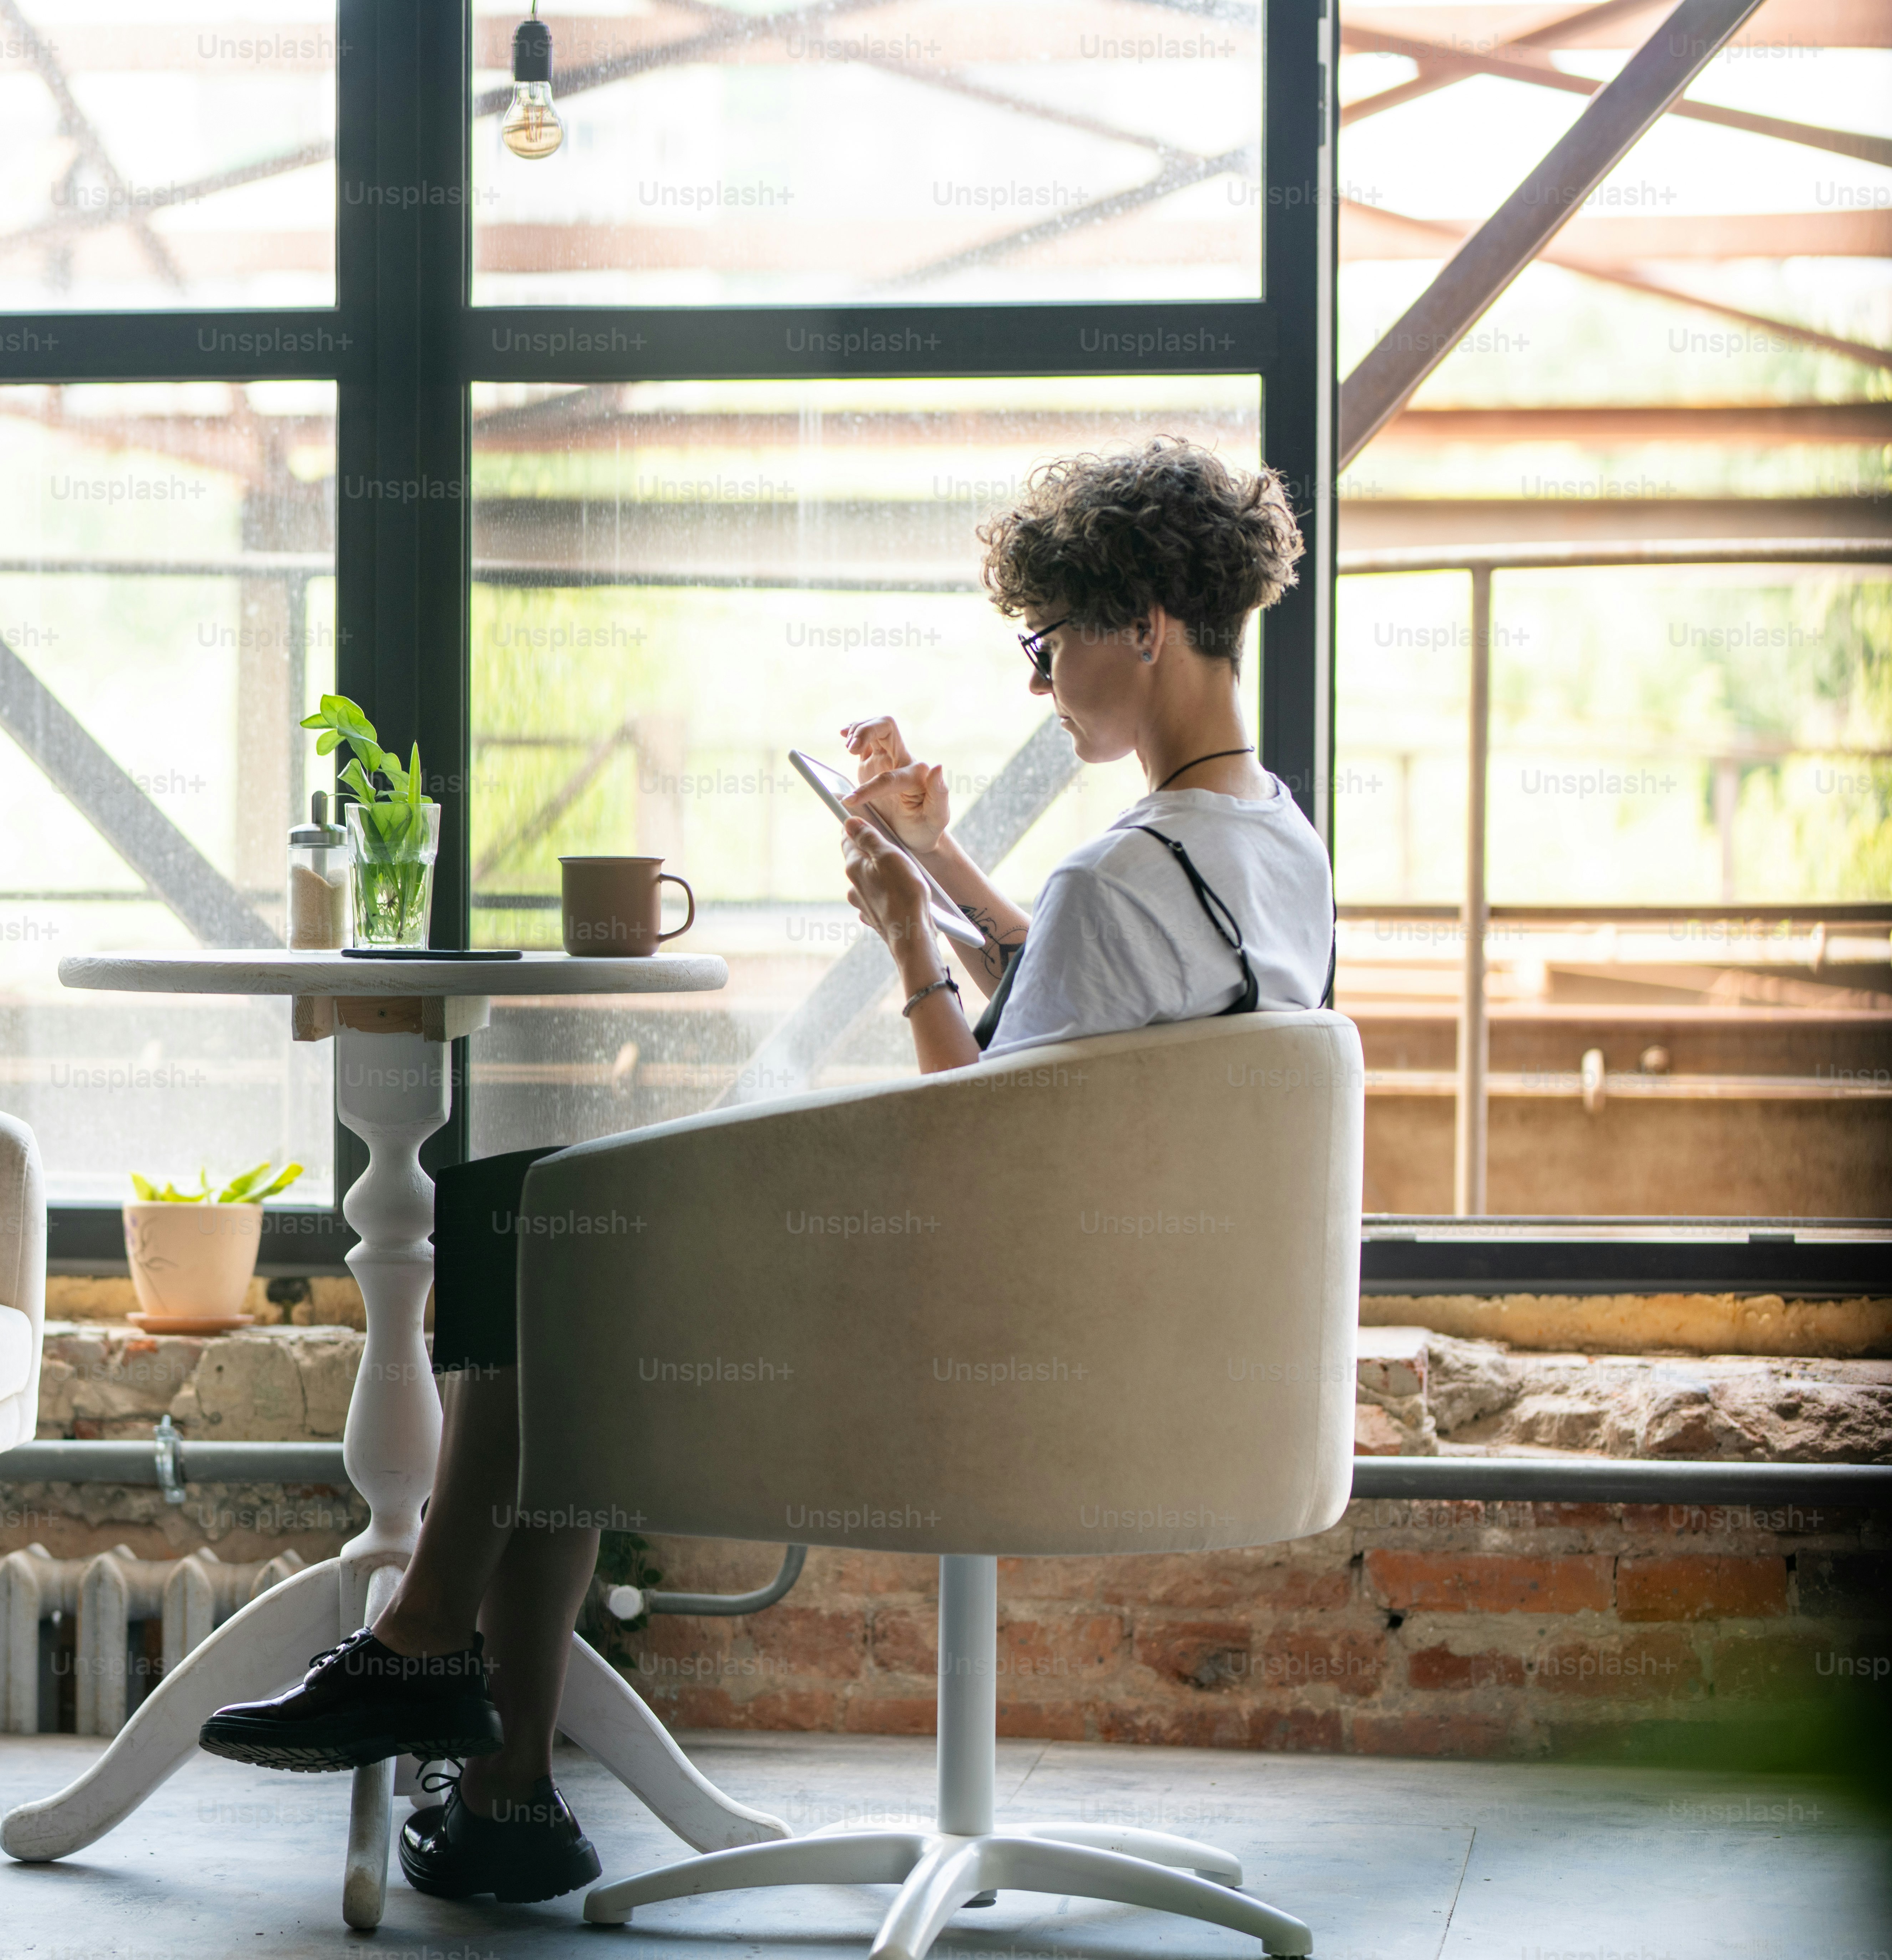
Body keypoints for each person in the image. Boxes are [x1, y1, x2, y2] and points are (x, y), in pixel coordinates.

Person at [192, 436, 1335, 1906]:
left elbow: (980, 1149)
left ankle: (445, 1683)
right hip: (1160, 1347)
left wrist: (910, 946)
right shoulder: (1262, 843)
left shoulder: (1116, 876)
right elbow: (1107, 1021)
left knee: (531, 1227)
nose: (1038, 686)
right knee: (544, 1229)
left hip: (987, 1354)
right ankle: (491, 1775)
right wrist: (942, 870)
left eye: (1046, 647)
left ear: (1145, 627)